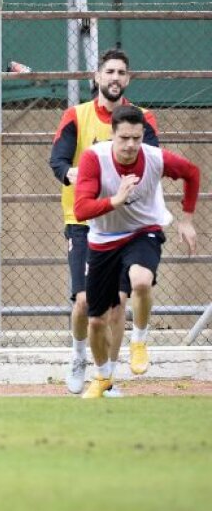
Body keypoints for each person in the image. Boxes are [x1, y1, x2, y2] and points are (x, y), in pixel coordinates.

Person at [49, 48, 159, 395]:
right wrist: (75, 175)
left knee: (118, 305)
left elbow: (153, 162)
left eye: (121, 72)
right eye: (108, 71)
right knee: (84, 301)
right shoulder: (76, 116)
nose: (114, 78)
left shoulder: (142, 119)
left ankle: (107, 377)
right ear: (96, 77)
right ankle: (79, 355)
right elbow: (58, 161)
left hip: (127, 225)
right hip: (84, 222)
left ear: (128, 79)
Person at [72, 104, 199, 399]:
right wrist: (115, 200)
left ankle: (139, 340)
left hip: (143, 232)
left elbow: (192, 173)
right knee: (95, 320)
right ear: (112, 135)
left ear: (143, 136)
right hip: (103, 239)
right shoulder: (95, 158)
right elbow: (80, 210)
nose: (130, 145)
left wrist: (187, 219)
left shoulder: (155, 158)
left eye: (136, 138)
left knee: (141, 280)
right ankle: (103, 378)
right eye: (124, 138)